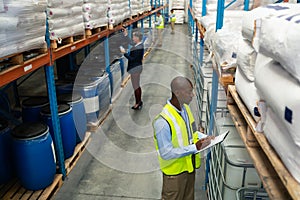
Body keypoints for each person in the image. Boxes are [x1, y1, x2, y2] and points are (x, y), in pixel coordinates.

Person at [152, 76, 214, 200]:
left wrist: (206, 138)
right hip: (174, 175)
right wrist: (194, 148)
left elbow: (193, 133)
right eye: (189, 92)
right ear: (177, 93)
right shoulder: (163, 121)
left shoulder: (185, 109)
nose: (193, 95)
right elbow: (166, 153)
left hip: (189, 169)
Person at [120, 28, 144, 110]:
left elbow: (132, 59)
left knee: (136, 86)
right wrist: (126, 34)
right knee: (136, 85)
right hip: (136, 68)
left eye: (134, 37)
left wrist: (124, 53)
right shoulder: (138, 45)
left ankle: (138, 103)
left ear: (137, 38)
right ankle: (139, 101)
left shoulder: (138, 47)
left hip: (135, 69)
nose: (133, 38)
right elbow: (131, 42)